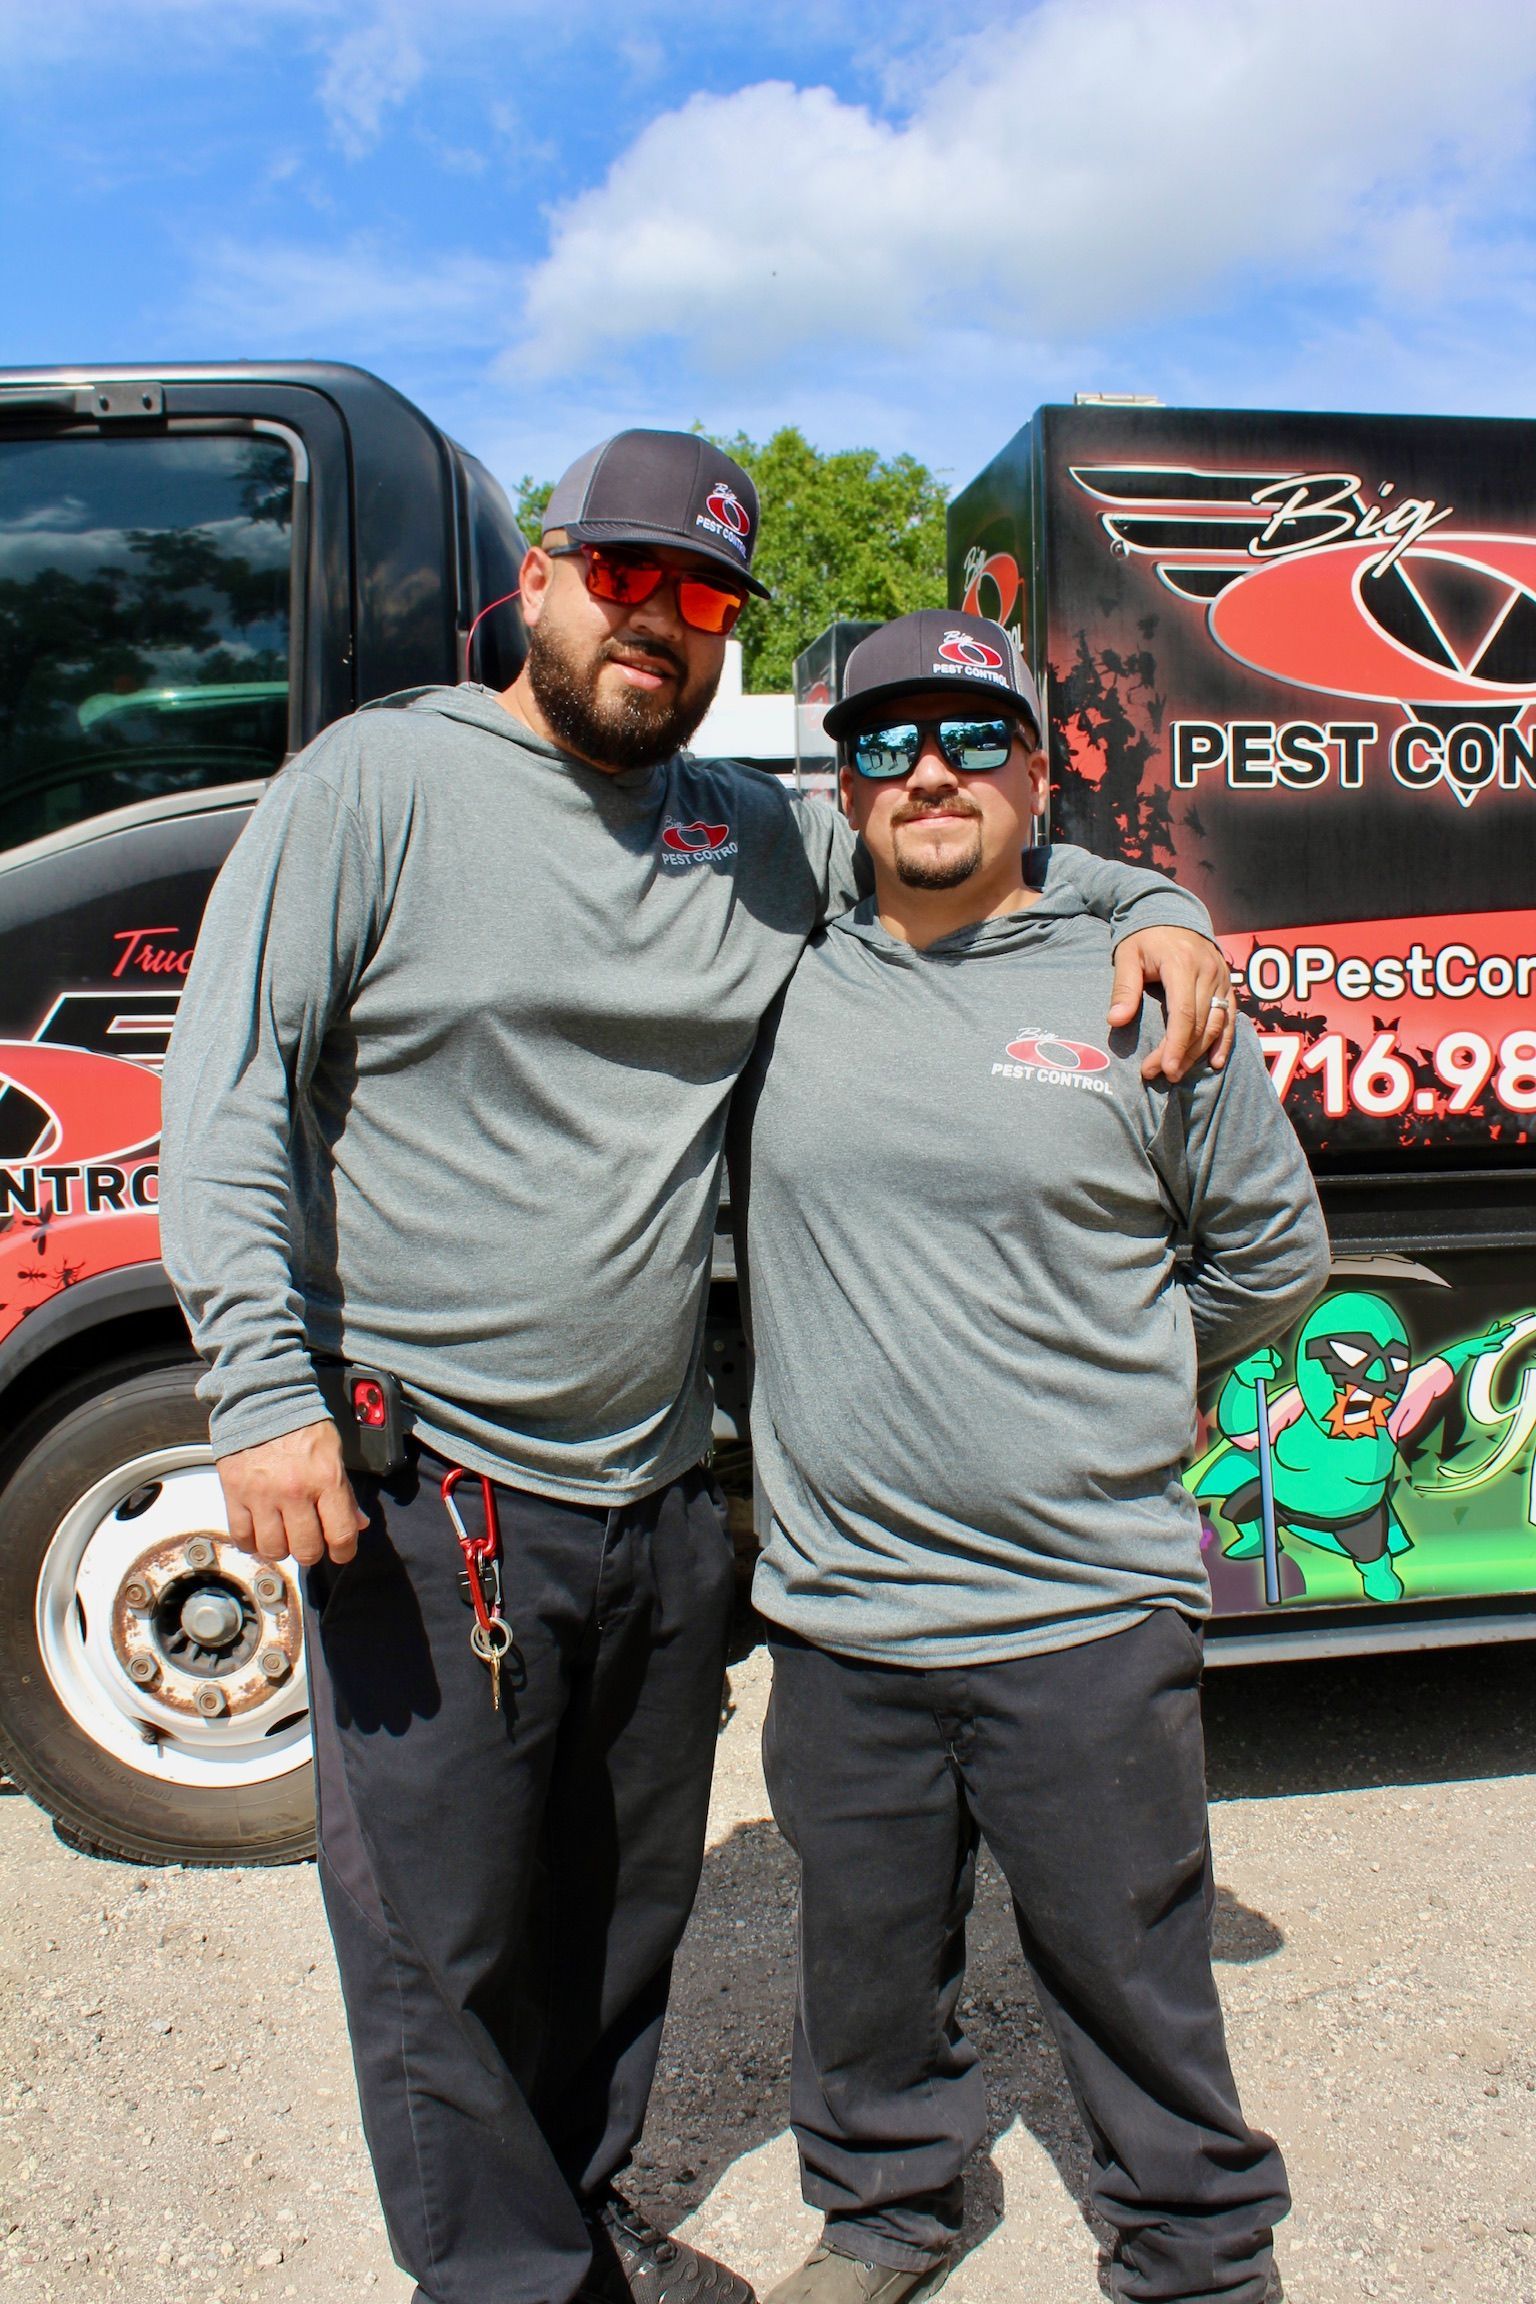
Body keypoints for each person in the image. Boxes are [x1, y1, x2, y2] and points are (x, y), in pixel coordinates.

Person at [159, 433, 1236, 2304]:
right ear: (549, 574)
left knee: (617, 1914)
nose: (660, 624)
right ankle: (508, 2282)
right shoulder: (384, 782)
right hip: (436, 1488)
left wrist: (1160, 910)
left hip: (659, 1497)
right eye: (630, 578)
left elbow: (966, 838)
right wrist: (261, 1390)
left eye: (707, 599)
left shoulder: (745, 831)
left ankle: (576, 2217)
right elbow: (229, 1088)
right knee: (445, 1944)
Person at [730, 610, 1331, 2304]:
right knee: (863, 1970)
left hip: (1083, 1604)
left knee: (1131, 1971)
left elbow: (1270, 1260)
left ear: (1040, 768)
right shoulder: (785, 976)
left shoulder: (1146, 991)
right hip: (845, 1612)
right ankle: (889, 2214)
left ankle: (1199, 2252)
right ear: (840, 786)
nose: (930, 772)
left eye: (973, 738)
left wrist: (1120, 1376)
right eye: (885, 743)